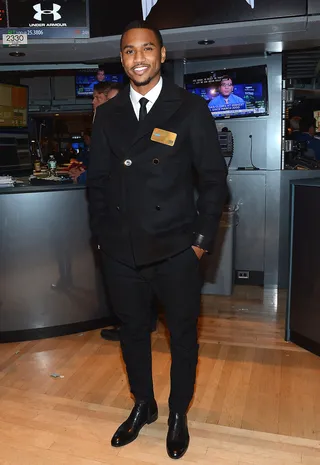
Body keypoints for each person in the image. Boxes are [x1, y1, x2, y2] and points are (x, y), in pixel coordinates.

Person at [87, 20, 227, 459]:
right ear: (122, 59)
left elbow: (214, 181)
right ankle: (143, 405)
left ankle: (178, 412)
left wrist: (201, 241)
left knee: (183, 335)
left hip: (175, 249)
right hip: (121, 251)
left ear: (162, 55)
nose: (139, 58)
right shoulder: (107, 114)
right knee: (132, 332)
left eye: (147, 49)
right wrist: (101, 238)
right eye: (129, 51)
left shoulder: (189, 108)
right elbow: (98, 182)